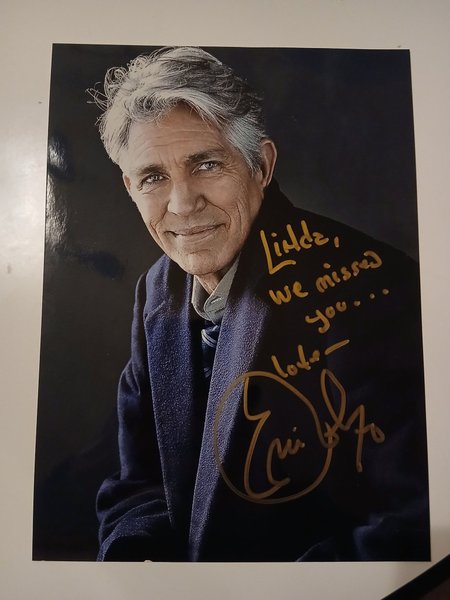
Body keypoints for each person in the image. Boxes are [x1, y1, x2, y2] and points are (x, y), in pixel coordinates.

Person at [94, 46, 429, 561]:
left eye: (207, 164)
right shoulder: (157, 290)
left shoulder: (376, 288)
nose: (182, 204)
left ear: (262, 166)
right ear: (129, 187)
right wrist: (141, 565)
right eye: (153, 177)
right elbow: (139, 482)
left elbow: (411, 523)